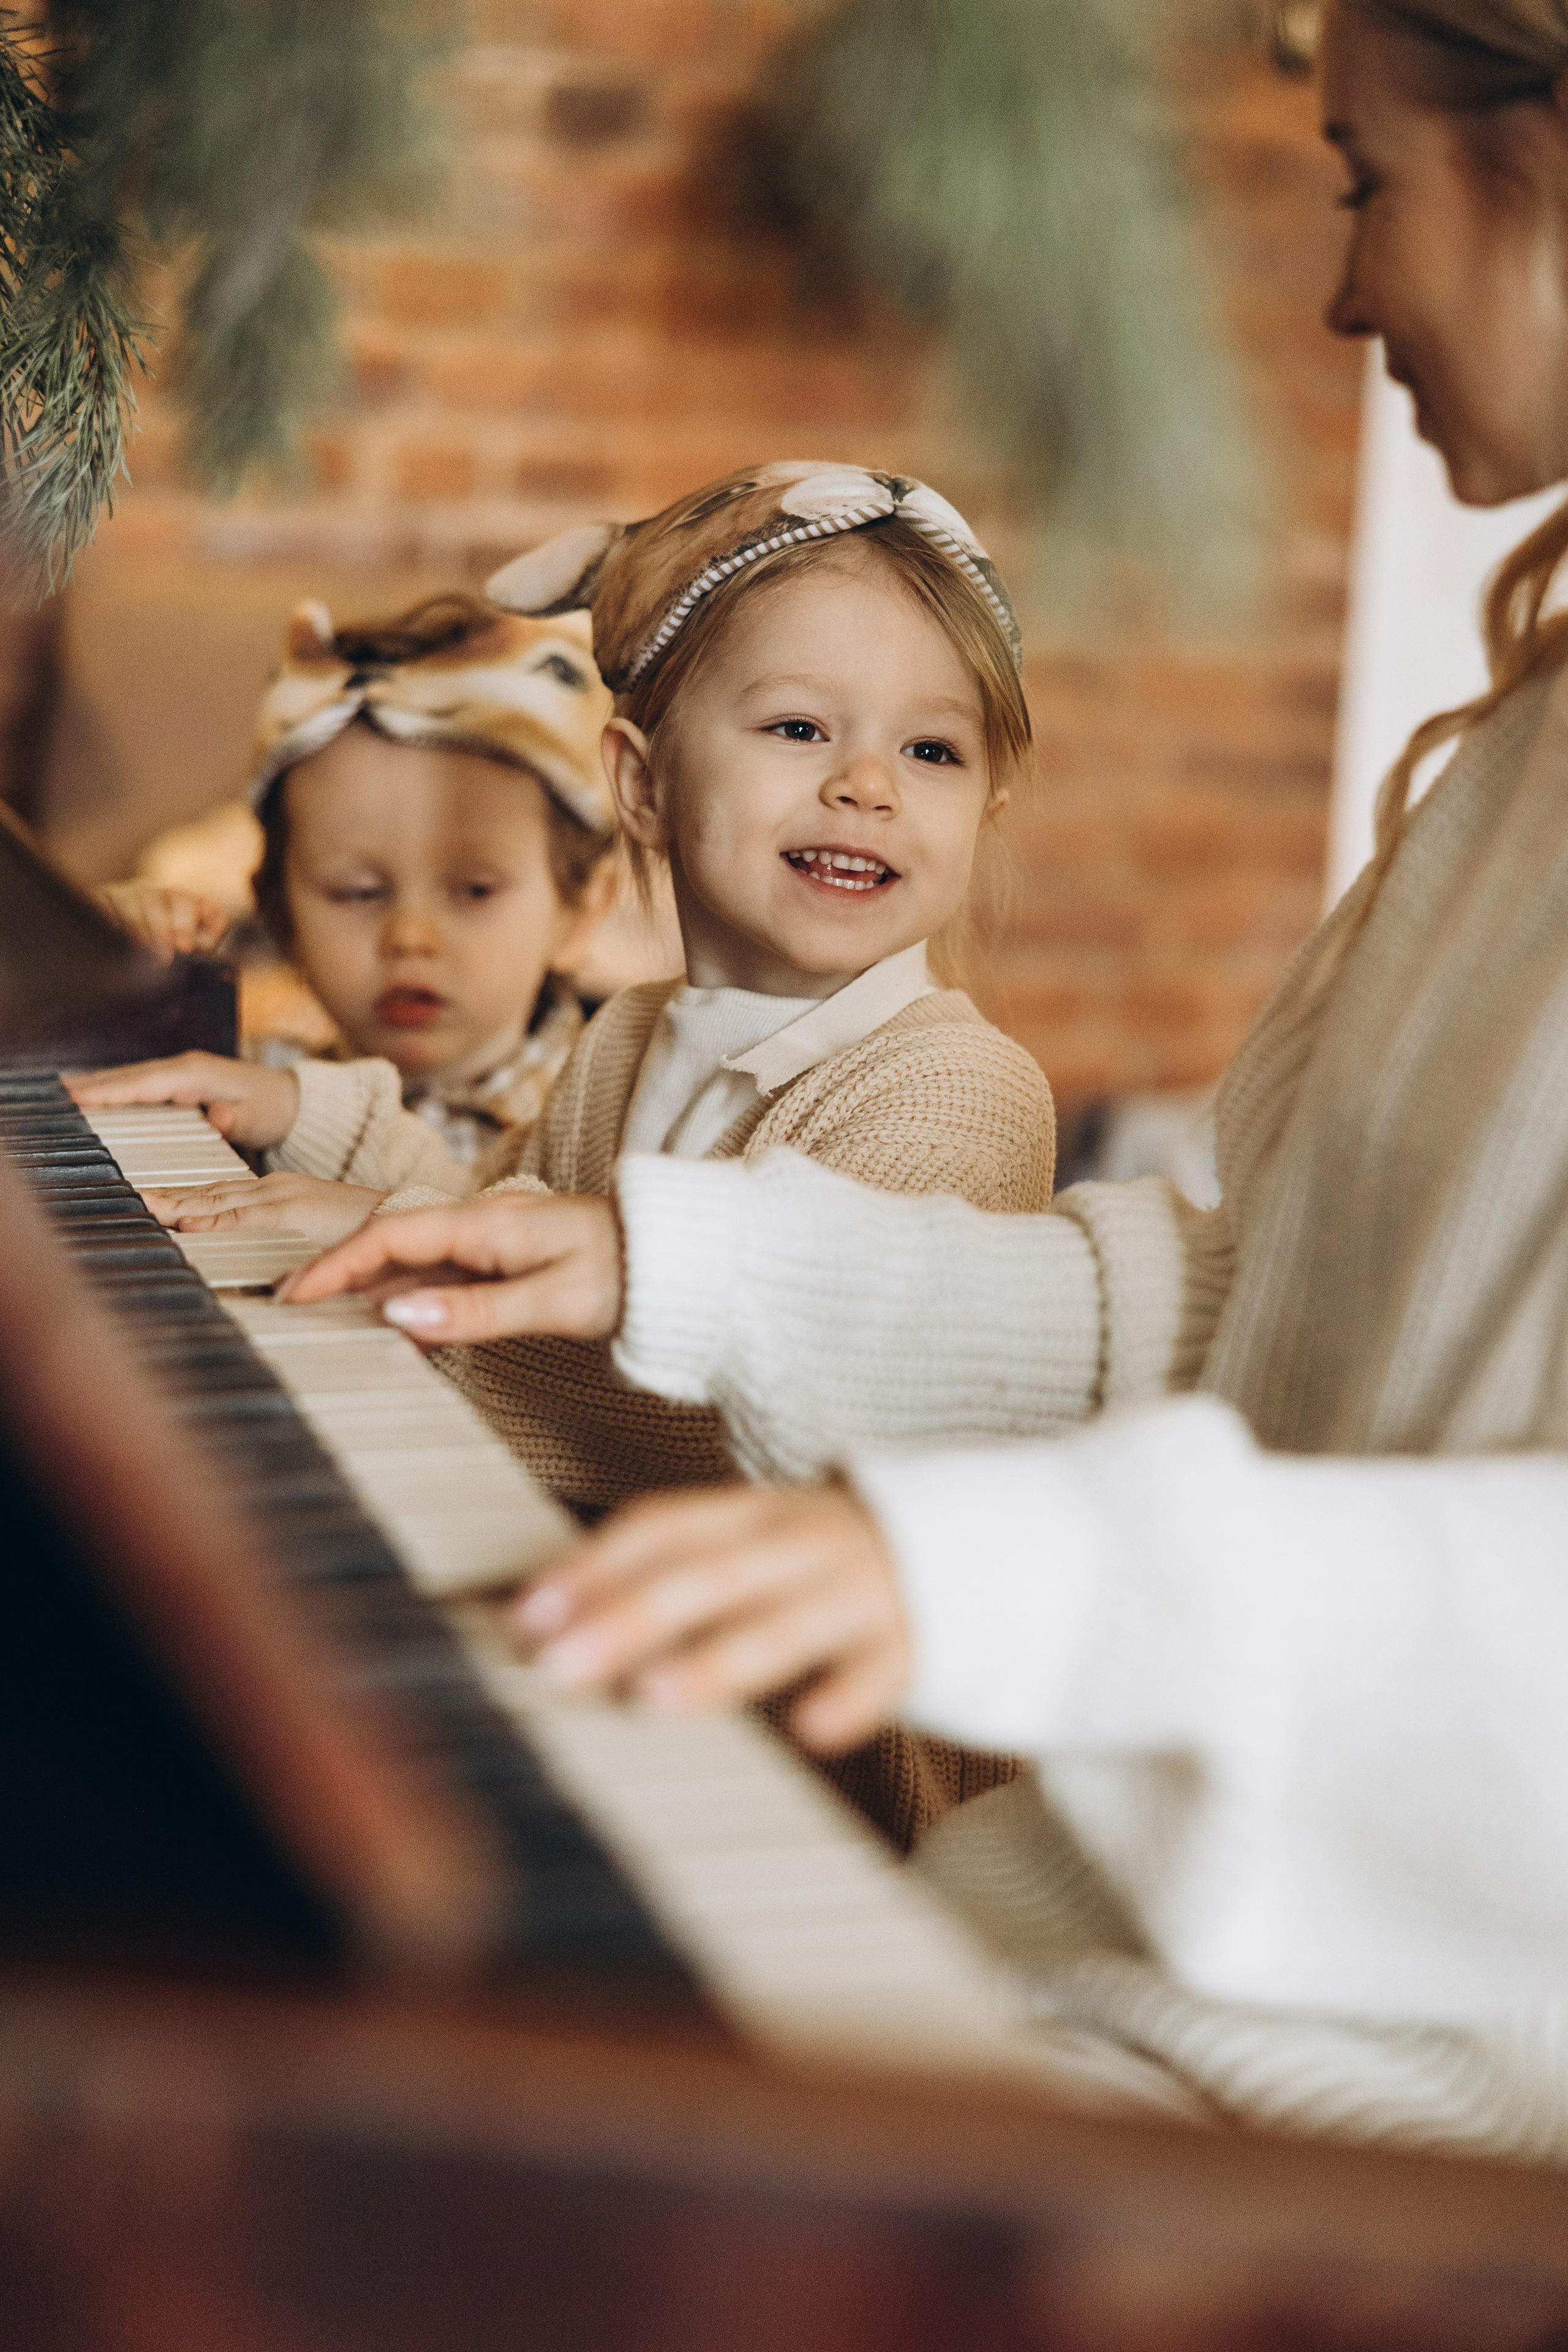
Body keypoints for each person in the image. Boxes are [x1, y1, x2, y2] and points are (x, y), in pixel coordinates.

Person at [285, 2, 1568, 2156]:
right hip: (1076, 1929)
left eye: (1364, 184)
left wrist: (994, 1580)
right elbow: (1281, 1312)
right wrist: (676, 1262)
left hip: (1372, 2084)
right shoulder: (1528, 751)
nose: (1342, 288)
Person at [75, 463, 1056, 1850]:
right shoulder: (632, 1036)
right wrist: (312, 1120)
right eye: (797, 726)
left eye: (931, 752)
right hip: (605, 1628)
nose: (863, 785)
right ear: (642, 788)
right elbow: (514, 1223)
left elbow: (729, 1425)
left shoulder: (958, 1092)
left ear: (983, 814)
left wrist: (411, 1292)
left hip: (821, 1771)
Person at [87, 591, 620, 1229]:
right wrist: (93, 962)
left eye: (474, 890)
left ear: (581, 912)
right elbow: (85, 1091)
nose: (410, 937)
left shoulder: (620, 1113)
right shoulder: (250, 1079)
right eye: (356, 892)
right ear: (281, 916)